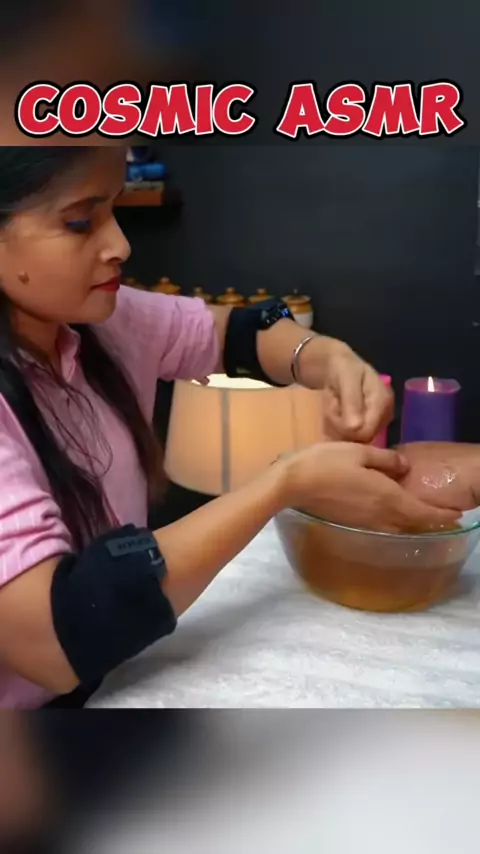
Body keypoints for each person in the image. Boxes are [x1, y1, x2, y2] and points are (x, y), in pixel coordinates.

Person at [0, 147, 456, 710]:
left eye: (115, 208)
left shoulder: (104, 322)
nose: (120, 244)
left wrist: (327, 357)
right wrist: (283, 484)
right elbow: (53, 637)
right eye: (79, 222)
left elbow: (238, 333)